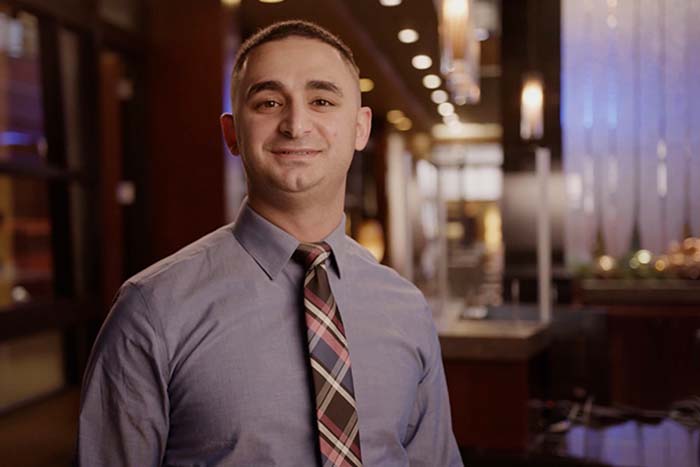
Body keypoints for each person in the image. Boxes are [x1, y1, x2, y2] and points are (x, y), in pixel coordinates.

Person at [76, 20, 462, 466]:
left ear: (360, 129)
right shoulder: (152, 310)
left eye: (321, 100)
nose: (296, 124)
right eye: (269, 102)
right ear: (232, 133)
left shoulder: (407, 308)